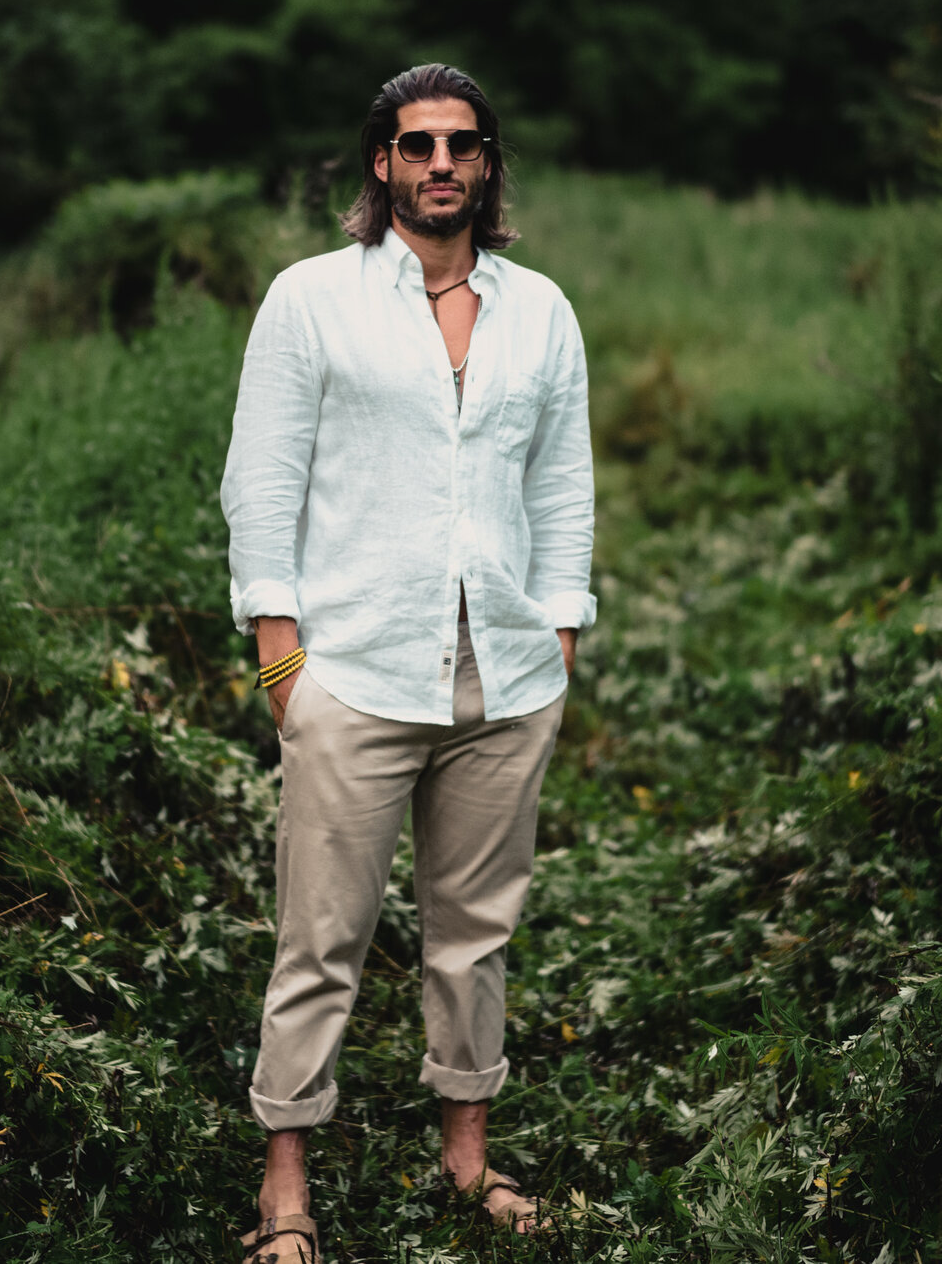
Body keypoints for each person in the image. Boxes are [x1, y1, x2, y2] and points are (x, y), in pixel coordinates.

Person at [220, 63, 596, 1262]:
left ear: (490, 165)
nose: (442, 164)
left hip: (504, 675)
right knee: (319, 935)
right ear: (379, 163)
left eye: (464, 145)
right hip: (356, 669)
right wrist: (283, 659)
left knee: (473, 927)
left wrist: (561, 626)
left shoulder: (540, 310)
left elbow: (562, 482)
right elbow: (260, 482)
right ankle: (286, 1185)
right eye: (418, 145)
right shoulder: (311, 299)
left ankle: (467, 1158)